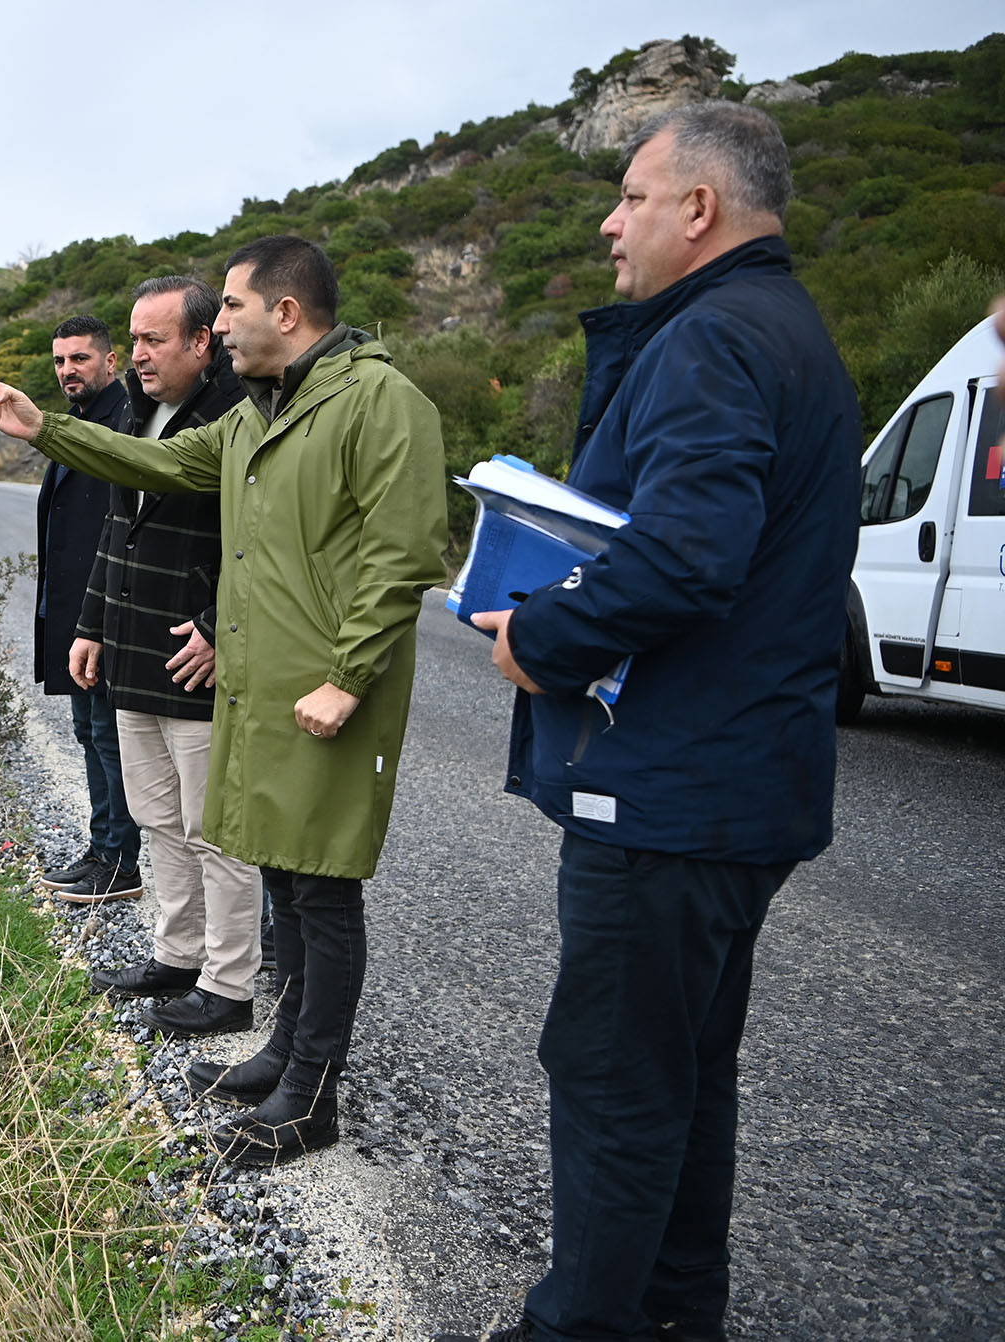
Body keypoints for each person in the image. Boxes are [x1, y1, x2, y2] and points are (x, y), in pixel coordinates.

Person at [445, 102, 862, 1342]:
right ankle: (675, 1312)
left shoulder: (710, 336)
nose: (606, 222)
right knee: (681, 1073)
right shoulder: (789, 330)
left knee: (613, 1080)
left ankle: (578, 1324)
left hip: (669, 791)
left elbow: (684, 555)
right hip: (740, 781)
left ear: (698, 208)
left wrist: (538, 639)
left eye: (629, 196)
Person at [0, 235, 448, 1165]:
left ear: (286, 313)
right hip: (265, 693)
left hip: (326, 695)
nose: (219, 326)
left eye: (231, 307)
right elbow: (159, 465)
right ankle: (285, 1056)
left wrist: (348, 679)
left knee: (324, 892)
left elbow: (403, 559)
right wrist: (44, 428)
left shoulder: (382, 402)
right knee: (288, 886)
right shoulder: (261, 412)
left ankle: (312, 1098)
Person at [71, 276, 265, 1037]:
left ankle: (229, 983)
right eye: (134, 340)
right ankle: (178, 956)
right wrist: (92, 624)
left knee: (216, 831)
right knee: (158, 818)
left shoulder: (242, 415)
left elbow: (265, 541)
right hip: (132, 652)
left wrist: (222, 628)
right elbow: (116, 530)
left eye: (154, 340)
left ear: (201, 341)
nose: (139, 356)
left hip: (198, 659)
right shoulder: (136, 409)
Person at [34, 315, 143, 903]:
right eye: (59, 361)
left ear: (110, 359)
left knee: (108, 737)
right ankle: (103, 850)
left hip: (103, 619)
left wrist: (96, 625)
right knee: (89, 733)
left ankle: (120, 862)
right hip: (76, 618)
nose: (68, 370)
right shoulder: (78, 423)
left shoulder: (123, 421)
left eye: (79, 358)